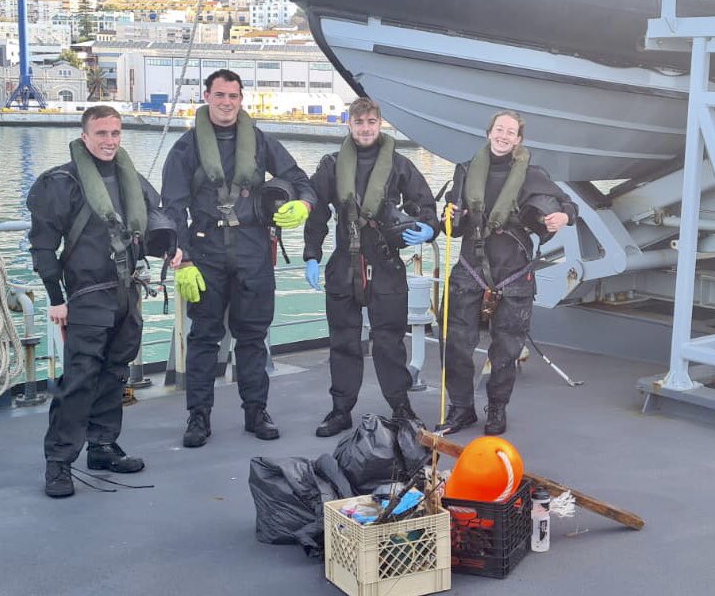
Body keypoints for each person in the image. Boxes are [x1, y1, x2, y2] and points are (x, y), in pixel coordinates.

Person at [161, 69, 315, 448]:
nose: (226, 102)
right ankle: (198, 417)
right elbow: (173, 207)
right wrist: (182, 260)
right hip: (205, 252)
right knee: (203, 339)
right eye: (219, 95)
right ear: (207, 97)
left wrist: (303, 205)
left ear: (241, 99)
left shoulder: (261, 143)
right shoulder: (185, 148)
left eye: (233, 95)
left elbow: (300, 179)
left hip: (253, 251)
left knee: (253, 338)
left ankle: (256, 412)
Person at [27, 105, 162, 498]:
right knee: (80, 379)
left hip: (127, 291)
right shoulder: (60, 183)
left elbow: (157, 218)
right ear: (85, 137)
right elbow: (43, 245)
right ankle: (59, 462)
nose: (109, 141)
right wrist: (56, 298)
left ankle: (102, 446)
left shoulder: (131, 178)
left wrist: (173, 249)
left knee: (116, 372)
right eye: (101, 134)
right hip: (87, 295)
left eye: (116, 133)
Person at [303, 97, 439, 437]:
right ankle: (340, 410)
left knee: (389, 341)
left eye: (372, 123)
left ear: (380, 125)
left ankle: (401, 407)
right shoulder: (331, 166)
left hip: (385, 264)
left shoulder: (400, 165)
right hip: (343, 264)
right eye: (359, 122)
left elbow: (425, 206)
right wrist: (311, 255)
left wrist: (429, 229)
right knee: (343, 341)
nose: (365, 129)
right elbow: (317, 214)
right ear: (349, 124)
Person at [436, 110, 577, 436]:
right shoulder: (465, 171)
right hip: (470, 269)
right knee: (454, 343)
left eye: (510, 132)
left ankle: (496, 409)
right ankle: (461, 409)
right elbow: (453, 231)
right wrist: (449, 215)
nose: (503, 136)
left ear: (518, 140)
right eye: (499, 129)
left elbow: (569, 205)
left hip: (513, 274)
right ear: (489, 133)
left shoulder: (533, 175)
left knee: (506, 349)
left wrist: (562, 218)